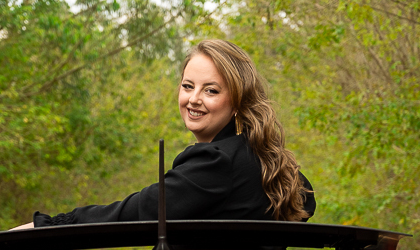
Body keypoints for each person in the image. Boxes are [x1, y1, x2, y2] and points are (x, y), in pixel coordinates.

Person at [18, 39, 315, 227]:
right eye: (188, 86)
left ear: (237, 102)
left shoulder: (217, 163)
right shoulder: (269, 163)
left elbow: (136, 212)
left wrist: (48, 226)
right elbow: (307, 199)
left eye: (210, 90)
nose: (194, 98)